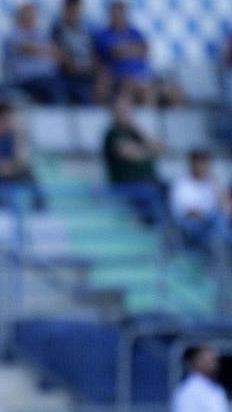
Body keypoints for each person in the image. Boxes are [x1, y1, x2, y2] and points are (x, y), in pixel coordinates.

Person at [102, 93, 163, 223]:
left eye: (128, 109)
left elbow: (159, 149)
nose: (126, 113)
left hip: (150, 182)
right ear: (114, 112)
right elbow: (129, 154)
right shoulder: (112, 133)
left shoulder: (135, 132)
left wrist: (138, 129)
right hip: (128, 185)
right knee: (151, 200)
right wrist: (148, 151)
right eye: (122, 110)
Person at [4, 3, 65, 104]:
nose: (31, 18)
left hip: (48, 78)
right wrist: (47, 51)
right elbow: (26, 48)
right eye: (27, 15)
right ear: (19, 17)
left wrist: (43, 51)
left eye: (32, 15)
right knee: (53, 91)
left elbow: (59, 54)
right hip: (26, 80)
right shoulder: (14, 34)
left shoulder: (41, 35)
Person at [94, 1, 153, 104]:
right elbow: (116, 52)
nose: (118, 17)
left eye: (120, 13)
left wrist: (126, 50)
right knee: (130, 87)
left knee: (155, 90)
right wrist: (134, 50)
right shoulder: (104, 34)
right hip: (118, 78)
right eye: (115, 13)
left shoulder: (135, 32)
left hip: (141, 77)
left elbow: (145, 49)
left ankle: (148, 118)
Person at [170, 150, 227, 252]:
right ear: (192, 164)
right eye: (200, 164)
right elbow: (192, 213)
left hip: (212, 224)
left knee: (219, 225)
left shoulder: (211, 183)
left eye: (206, 164)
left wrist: (216, 182)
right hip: (190, 225)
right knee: (218, 223)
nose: (204, 168)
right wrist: (212, 216)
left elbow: (226, 207)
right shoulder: (182, 183)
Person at [172, 345, 229, 412]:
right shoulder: (188, 391)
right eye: (207, 359)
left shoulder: (217, 390)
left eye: (214, 359)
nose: (212, 363)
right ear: (195, 361)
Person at [51, 0, 94, 104]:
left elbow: (92, 54)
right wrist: (73, 66)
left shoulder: (86, 31)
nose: (75, 14)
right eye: (72, 11)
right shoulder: (58, 30)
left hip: (85, 75)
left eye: (77, 11)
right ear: (66, 11)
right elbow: (57, 53)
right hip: (65, 75)